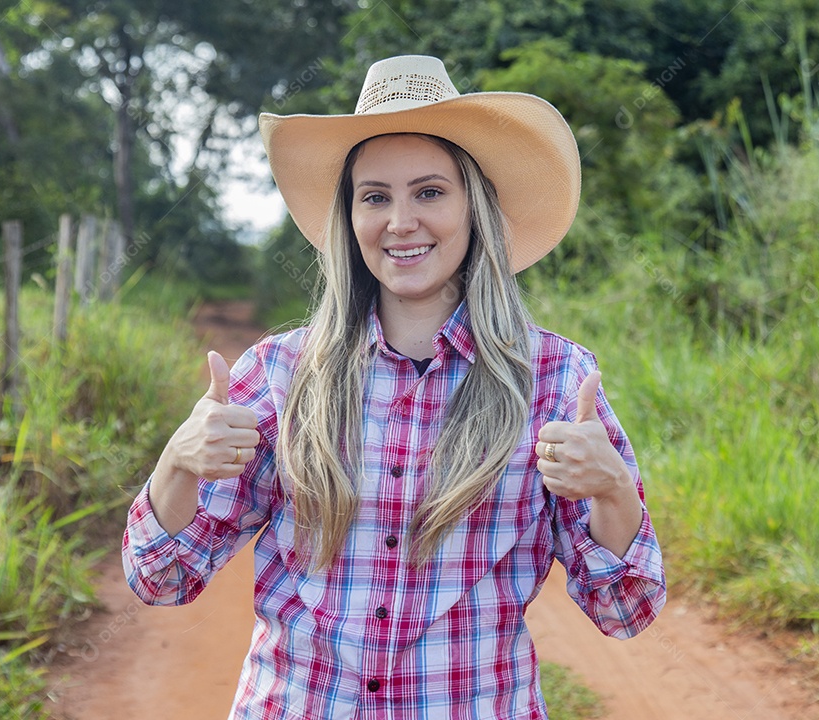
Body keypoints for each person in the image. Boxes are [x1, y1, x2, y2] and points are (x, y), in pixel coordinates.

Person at [123, 55, 666, 719]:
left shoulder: (556, 380)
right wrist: (176, 465)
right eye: (375, 196)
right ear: (348, 219)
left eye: (430, 192)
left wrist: (612, 490)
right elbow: (162, 578)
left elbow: (625, 607)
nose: (400, 221)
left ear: (475, 206)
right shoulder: (278, 375)